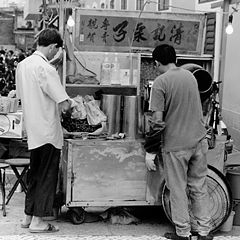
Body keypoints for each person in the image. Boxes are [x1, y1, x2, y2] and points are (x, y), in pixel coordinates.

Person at [145, 44, 212, 240]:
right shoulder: (190, 76)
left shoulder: (160, 82)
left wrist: (150, 149)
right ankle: (204, 231)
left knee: (178, 189)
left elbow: (157, 121)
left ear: (157, 62)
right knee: (199, 186)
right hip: (198, 141)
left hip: (176, 145)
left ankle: (183, 232)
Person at [16, 28, 75, 233]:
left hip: (32, 130)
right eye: (56, 50)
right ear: (52, 47)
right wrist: (72, 104)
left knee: (35, 175)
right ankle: (38, 222)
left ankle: (28, 217)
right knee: (47, 177)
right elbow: (64, 103)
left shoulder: (22, 65)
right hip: (48, 132)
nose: (55, 54)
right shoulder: (46, 68)